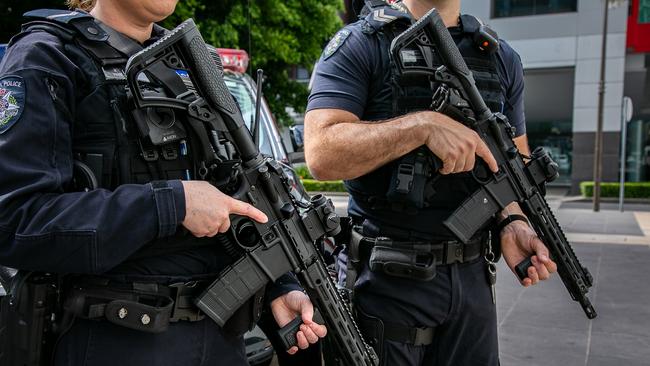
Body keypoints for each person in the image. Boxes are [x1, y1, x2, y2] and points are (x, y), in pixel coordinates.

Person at [0, 0, 326, 365]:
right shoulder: (47, 57)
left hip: (221, 339)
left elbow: (236, 192)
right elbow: (16, 221)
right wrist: (172, 205)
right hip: (116, 338)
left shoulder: (190, 61)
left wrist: (277, 288)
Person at [305, 0, 557, 365]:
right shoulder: (363, 43)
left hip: (472, 281)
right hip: (387, 279)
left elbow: (512, 165)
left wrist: (512, 220)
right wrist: (422, 127)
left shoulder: (501, 58)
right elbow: (321, 153)